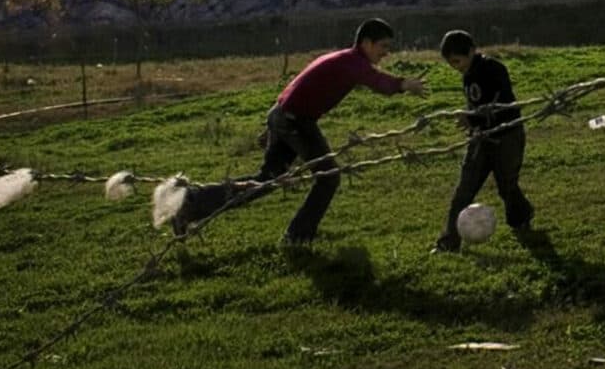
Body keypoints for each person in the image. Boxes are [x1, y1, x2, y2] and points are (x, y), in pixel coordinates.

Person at [173, 17, 427, 246]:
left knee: (267, 179)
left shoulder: (339, 58)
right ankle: (298, 236)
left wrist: (273, 123)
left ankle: (191, 204)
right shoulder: (352, 62)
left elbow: (294, 86)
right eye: (383, 46)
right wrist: (404, 84)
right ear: (367, 43)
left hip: (283, 115)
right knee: (328, 177)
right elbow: (377, 81)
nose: (386, 53)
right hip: (296, 122)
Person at [432, 29, 534, 252]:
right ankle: (449, 241)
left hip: (506, 137)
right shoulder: (468, 75)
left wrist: (473, 117)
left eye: (458, 61)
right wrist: (473, 121)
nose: (456, 67)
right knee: (464, 191)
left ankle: (521, 219)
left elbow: (501, 106)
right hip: (480, 140)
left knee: (507, 186)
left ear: (471, 51)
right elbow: (477, 106)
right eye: (452, 64)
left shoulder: (494, 69)